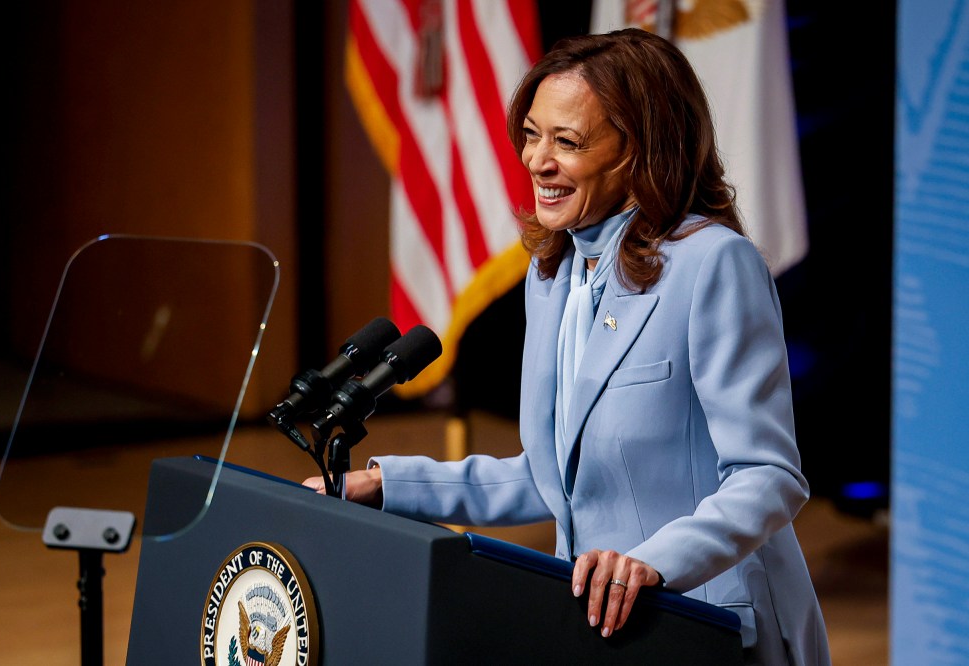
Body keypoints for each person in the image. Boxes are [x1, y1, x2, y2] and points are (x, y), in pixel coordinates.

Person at [305, 27, 830, 665]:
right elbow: (551, 477)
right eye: (531, 134)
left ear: (640, 151)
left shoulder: (713, 265)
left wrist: (651, 565)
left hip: (709, 624)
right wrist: (387, 487)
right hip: (598, 630)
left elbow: (768, 475)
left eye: (567, 142)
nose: (537, 160)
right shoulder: (553, 273)